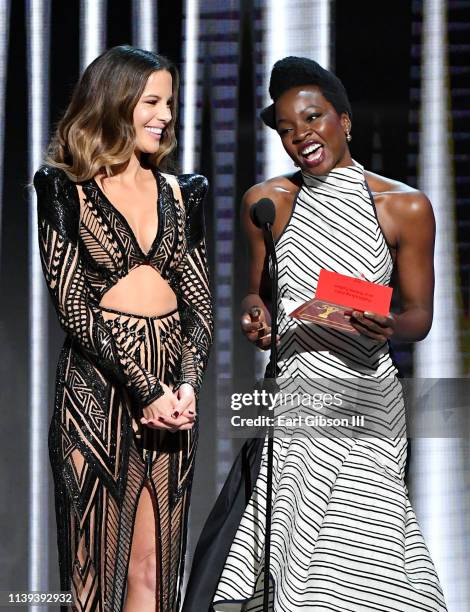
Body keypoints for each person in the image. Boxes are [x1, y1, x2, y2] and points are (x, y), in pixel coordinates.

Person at [183, 57, 446, 611]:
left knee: (368, 539)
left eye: (313, 118)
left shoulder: (405, 207)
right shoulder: (269, 202)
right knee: (302, 551)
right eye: (285, 128)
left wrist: (390, 323)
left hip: (369, 395)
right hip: (297, 393)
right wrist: (256, 316)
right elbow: (257, 294)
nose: (300, 135)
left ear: (345, 120)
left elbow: (420, 314)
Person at [33, 45, 213, 612]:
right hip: (97, 392)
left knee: (155, 570)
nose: (164, 115)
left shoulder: (185, 194)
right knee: (94, 578)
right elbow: (73, 308)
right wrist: (144, 389)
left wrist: (184, 386)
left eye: (170, 103)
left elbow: (199, 307)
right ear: (115, 103)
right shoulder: (63, 187)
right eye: (151, 101)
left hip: (169, 391)